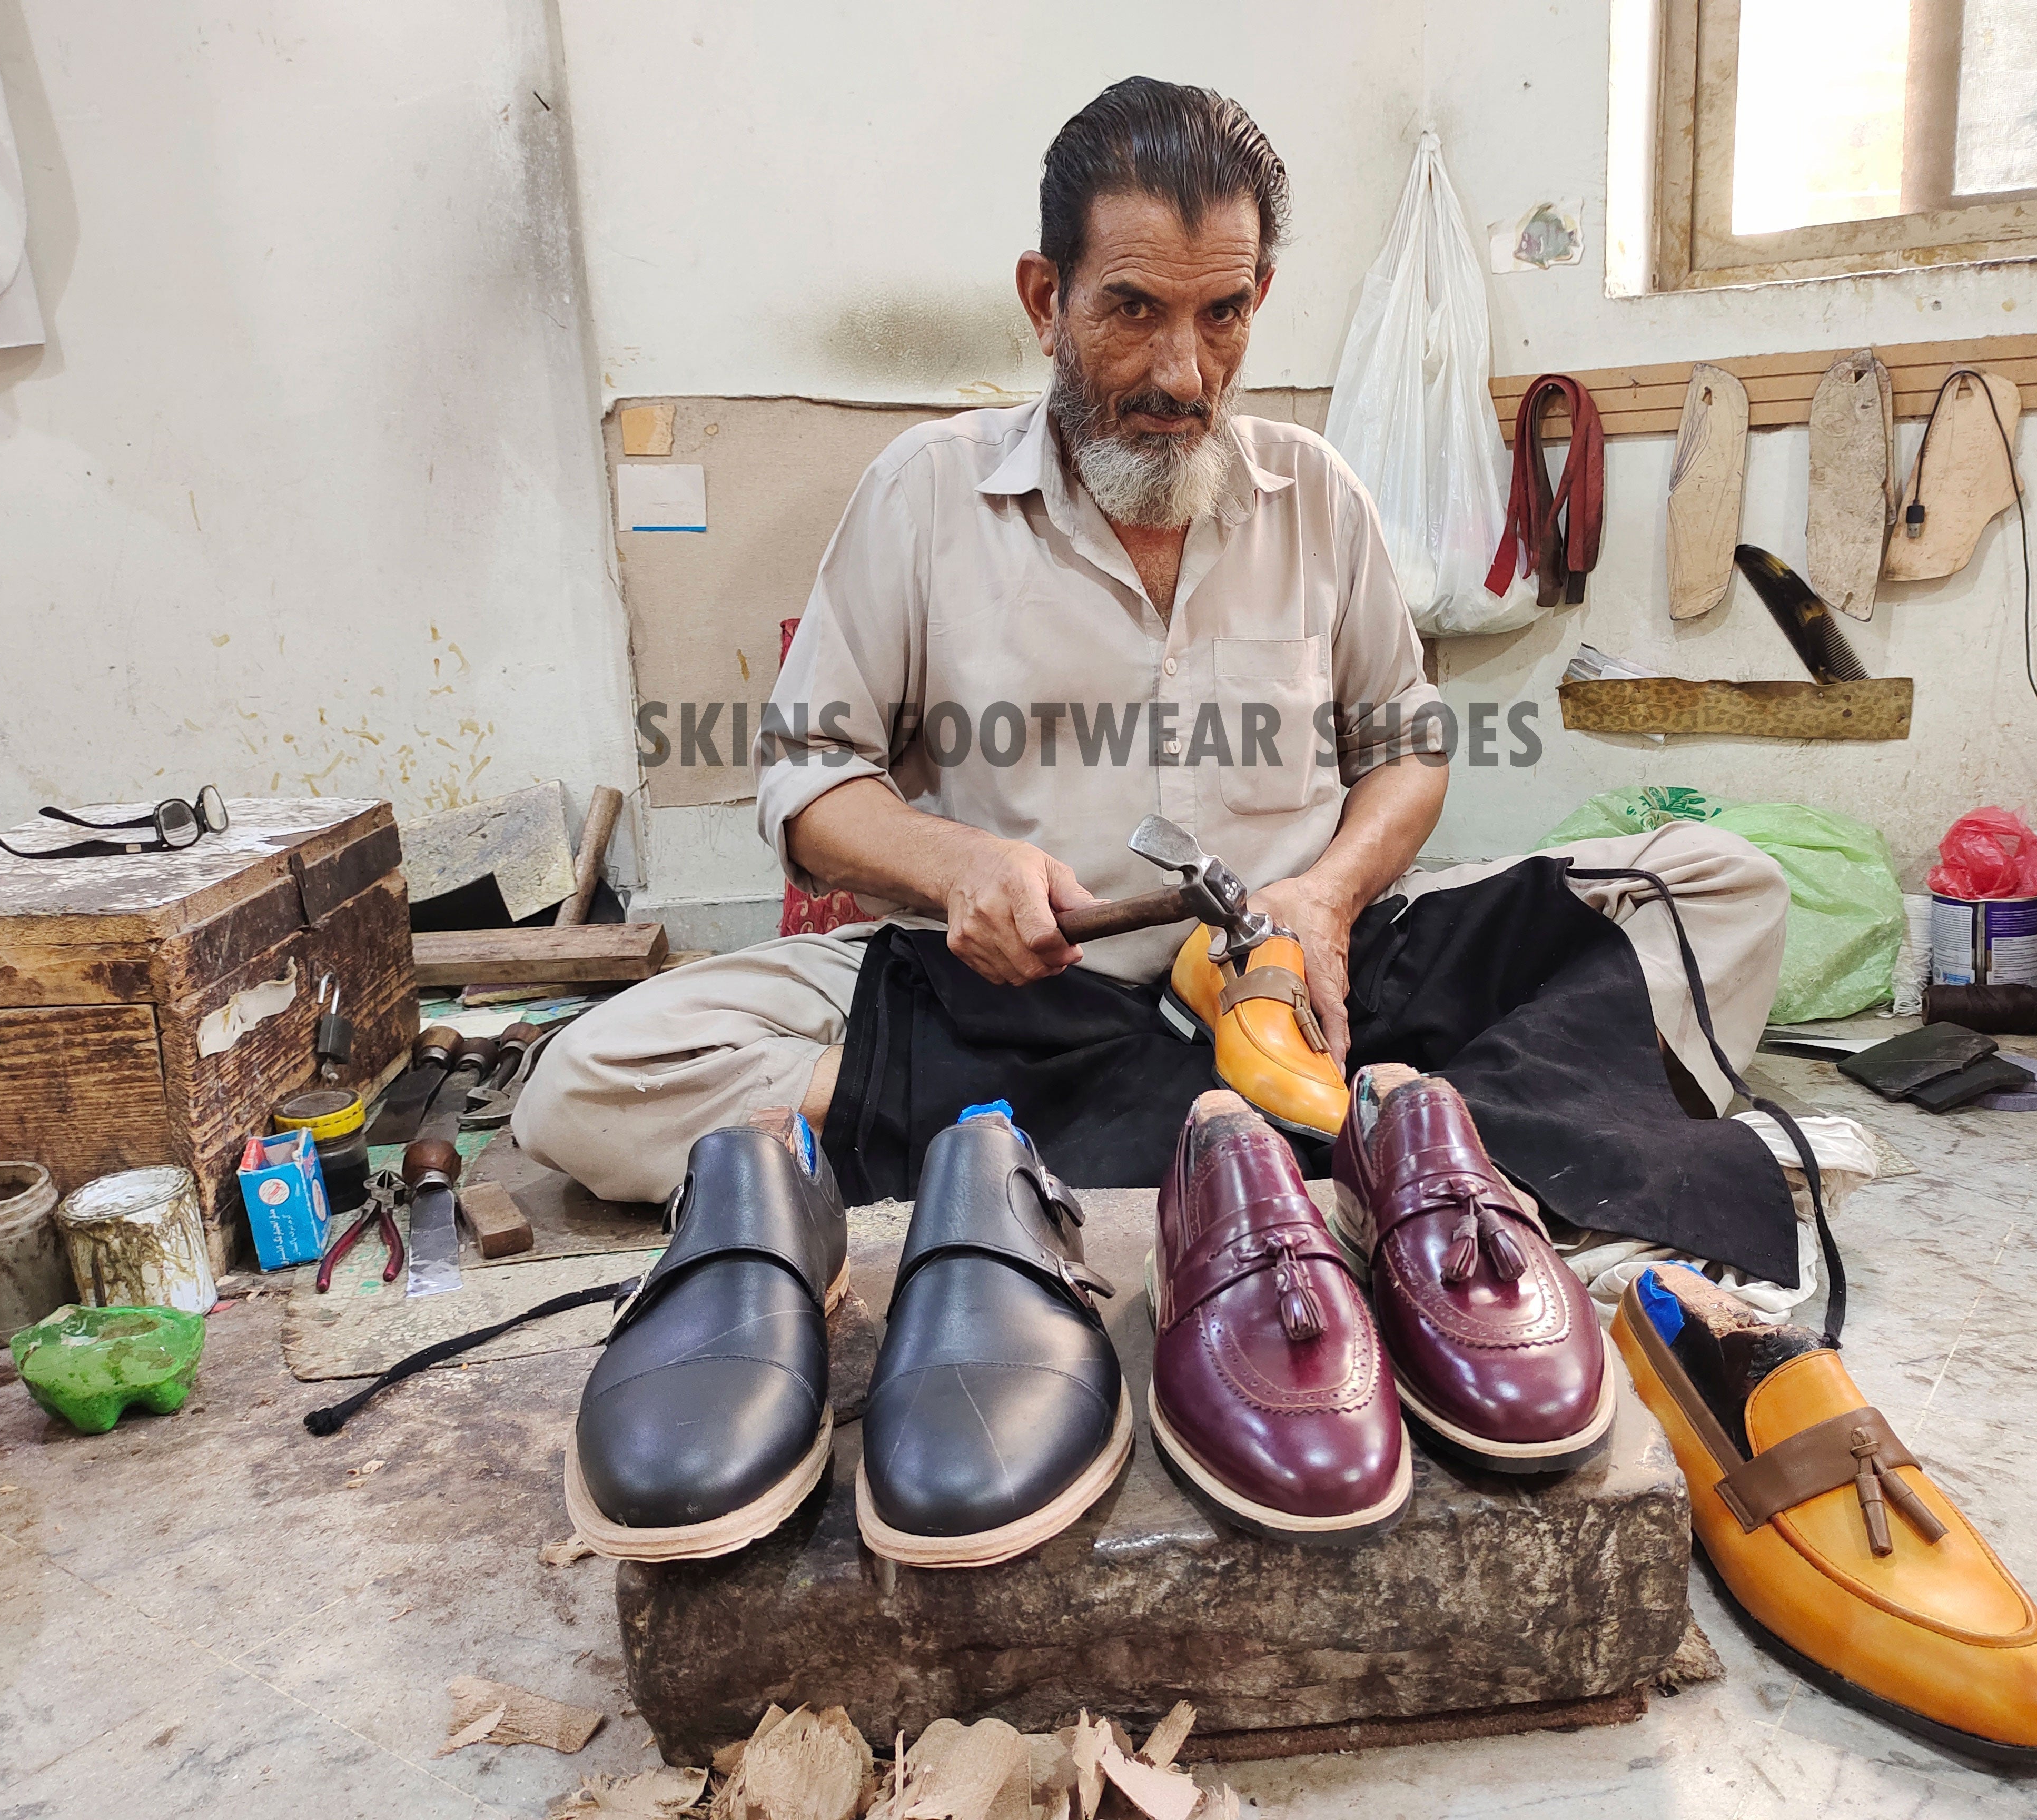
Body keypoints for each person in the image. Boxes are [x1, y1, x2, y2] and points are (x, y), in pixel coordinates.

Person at [517, 78, 1794, 1279]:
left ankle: (1237, 1147)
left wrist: (1327, 900)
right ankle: (1378, 1153)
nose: (1184, 375)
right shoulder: (927, 495)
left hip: (1296, 979)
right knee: (591, 1080)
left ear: (1257, 299)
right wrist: (959, 868)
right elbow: (808, 787)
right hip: (1032, 1001)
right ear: (1044, 297)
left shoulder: (1316, 495)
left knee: (1720, 886)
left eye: (1221, 314)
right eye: (1133, 308)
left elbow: (1407, 750)